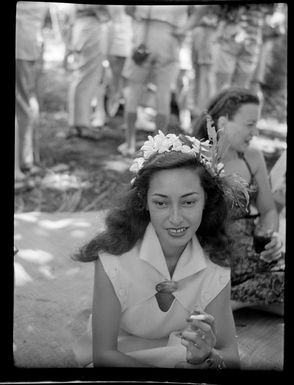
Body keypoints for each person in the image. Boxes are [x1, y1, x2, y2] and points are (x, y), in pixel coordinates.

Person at [72, 130, 247, 368]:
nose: (176, 218)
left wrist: (208, 357)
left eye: (188, 201)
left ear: (207, 200)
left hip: (180, 359)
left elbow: (230, 356)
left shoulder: (215, 262)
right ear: (144, 201)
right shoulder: (113, 260)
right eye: (161, 203)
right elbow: (103, 355)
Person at [193, 87, 284, 315]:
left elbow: (269, 211)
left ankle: (231, 302)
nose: (254, 132)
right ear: (223, 122)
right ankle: (239, 297)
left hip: (252, 253)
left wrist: (270, 236)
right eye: (249, 124)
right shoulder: (196, 159)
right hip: (210, 254)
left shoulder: (252, 157)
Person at [118, 4, 210, 156]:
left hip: (144, 35)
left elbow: (128, 9)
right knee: (163, 93)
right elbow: (200, 10)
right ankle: (157, 148)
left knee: (134, 91)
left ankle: (129, 144)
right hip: (169, 37)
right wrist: (184, 28)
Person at [15, 1, 48, 188]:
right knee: (27, 101)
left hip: (24, 44)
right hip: (30, 42)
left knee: (23, 103)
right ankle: (28, 158)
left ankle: (25, 160)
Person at [67, 4, 110, 139]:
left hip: (83, 28)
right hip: (89, 29)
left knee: (81, 78)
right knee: (86, 79)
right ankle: (81, 125)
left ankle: (77, 123)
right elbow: (103, 11)